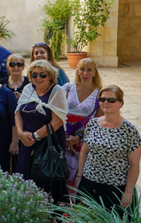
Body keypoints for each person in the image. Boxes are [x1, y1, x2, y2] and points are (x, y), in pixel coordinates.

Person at [77, 85, 141, 211]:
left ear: (120, 103)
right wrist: (79, 177)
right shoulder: (92, 124)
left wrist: (128, 191)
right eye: (102, 99)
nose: (105, 102)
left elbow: (134, 165)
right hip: (89, 183)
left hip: (115, 188)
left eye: (111, 100)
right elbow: (84, 152)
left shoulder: (130, 131)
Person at [15, 60, 68, 204]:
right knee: (27, 180)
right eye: (34, 75)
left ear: (50, 75)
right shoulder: (28, 89)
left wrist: (34, 136)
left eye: (42, 75)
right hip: (27, 143)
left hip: (48, 144)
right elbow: (18, 113)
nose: (38, 78)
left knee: (48, 180)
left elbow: (57, 122)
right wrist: (20, 133)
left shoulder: (57, 91)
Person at [64, 58, 103, 187]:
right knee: (62, 171)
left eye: (89, 70)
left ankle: (76, 204)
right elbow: (57, 111)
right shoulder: (68, 88)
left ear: (94, 73)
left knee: (79, 174)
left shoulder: (99, 94)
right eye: (82, 69)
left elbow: (99, 123)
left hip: (84, 140)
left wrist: (79, 138)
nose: (85, 73)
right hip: (64, 136)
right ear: (77, 71)